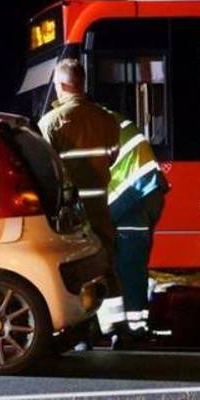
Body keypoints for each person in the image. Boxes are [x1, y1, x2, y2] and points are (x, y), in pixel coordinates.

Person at [38, 59, 121, 259]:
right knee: (105, 251)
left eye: (57, 85)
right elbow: (112, 156)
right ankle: (110, 289)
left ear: (64, 85)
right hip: (100, 200)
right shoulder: (107, 118)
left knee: (76, 258)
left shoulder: (50, 122)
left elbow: (45, 168)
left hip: (69, 206)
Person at [103, 109, 169, 344]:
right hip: (144, 194)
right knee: (131, 266)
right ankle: (131, 326)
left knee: (128, 267)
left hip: (134, 197)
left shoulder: (88, 123)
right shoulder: (112, 119)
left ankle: (133, 329)